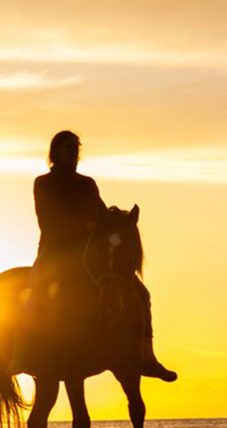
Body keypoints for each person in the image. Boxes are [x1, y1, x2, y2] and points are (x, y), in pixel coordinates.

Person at [32, 130, 177, 382]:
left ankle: (148, 357)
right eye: (67, 147)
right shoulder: (43, 183)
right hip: (55, 252)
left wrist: (119, 221)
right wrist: (83, 226)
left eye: (75, 147)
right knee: (35, 287)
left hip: (89, 252)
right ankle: (27, 348)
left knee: (141, 293)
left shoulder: (87, 183)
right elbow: (47, 220)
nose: (72, 152)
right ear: (55, 152)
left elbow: (100, 212)